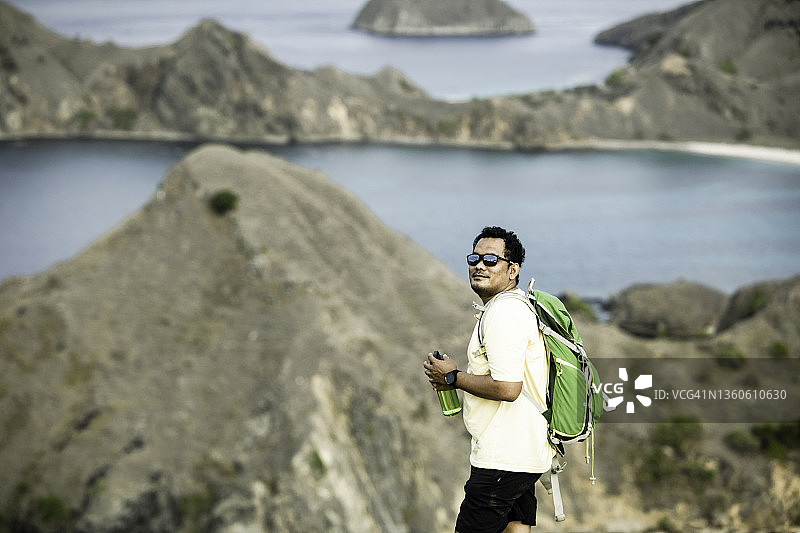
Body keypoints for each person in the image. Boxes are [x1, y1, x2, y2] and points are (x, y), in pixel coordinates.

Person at [424, 226, 553, 533]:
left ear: (513, 270)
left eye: (491, 260)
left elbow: (508, 388)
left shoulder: (503, 313)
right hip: (525, 452)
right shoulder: (518, 305)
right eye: (475, 258)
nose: (479, 265)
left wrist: (452, 376)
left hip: (502, 458)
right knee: (515, 528)